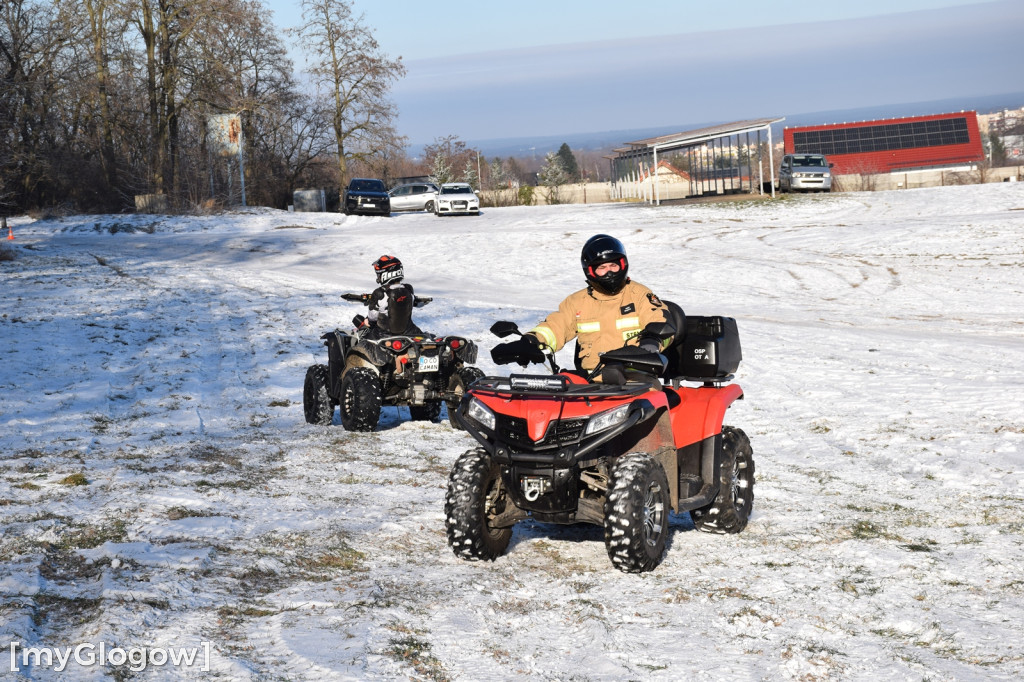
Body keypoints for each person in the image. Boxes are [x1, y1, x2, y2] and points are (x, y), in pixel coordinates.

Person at [492, 234, 674, 372]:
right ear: (590, 272)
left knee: (652, 410)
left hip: (635, 377)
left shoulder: (639, 294)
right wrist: (530, 342)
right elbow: (556, 326)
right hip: (590, 381)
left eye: (613, 265)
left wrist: (650, 344)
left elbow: (661, 322)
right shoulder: (577, 302)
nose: (609, 272)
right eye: (602, 268)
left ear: (623, 264)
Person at [364, 255, 423, 336]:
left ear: (386, 274)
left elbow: (372, 318)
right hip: (409, 331)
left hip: (384, 334)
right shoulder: (408, 289)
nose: (378, 277)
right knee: (425, 340)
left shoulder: (380, 293)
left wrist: (368, 321)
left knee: (363, 341)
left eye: (379, 275)